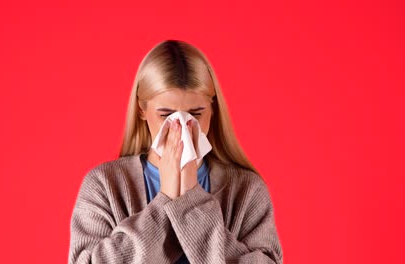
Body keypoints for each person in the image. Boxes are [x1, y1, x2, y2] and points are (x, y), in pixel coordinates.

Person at [68, 40, 283, 264]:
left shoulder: (246, 191)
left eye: (196, 114)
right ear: (142, 109)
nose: (181, 126)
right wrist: (166, 200)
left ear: (213, 109)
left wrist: (191, 199)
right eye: (165, 115)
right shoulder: (104, 185)